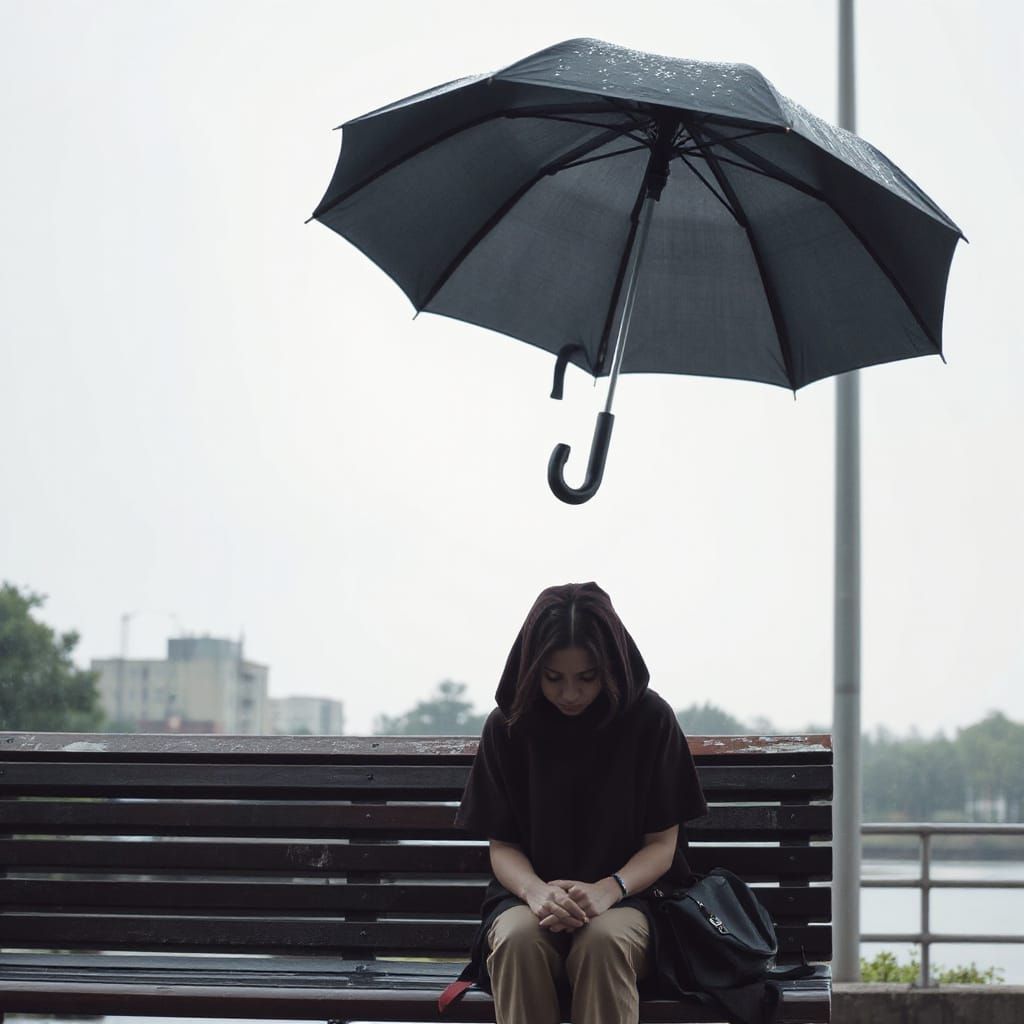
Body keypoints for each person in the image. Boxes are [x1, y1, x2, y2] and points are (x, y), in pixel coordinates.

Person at [452, 582, 708, 1024]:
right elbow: (503, 846)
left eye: (587, 677)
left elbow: (662, 845)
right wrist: (537, 893)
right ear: (532, 670)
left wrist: (608, 889)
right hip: (528, 903)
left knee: (602, 943)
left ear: (611, 666)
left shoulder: (651, 720)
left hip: (634, 903)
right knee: (516, 942)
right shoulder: (509, 726)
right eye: (553, 678)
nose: (570, 694)